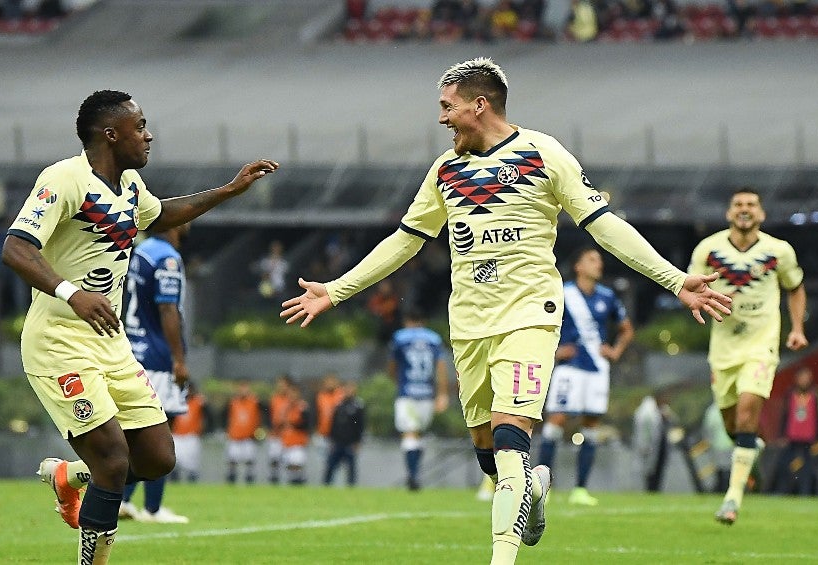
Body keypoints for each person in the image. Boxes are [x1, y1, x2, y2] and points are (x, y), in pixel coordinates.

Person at [281, 57, 731, 564]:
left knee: (510, 437)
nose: (440, 118)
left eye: (447, 107)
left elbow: (604, 225)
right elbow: (405, 241)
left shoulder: (542, 153)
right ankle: (532, 492)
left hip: (529, 314)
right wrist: (336, 289)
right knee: (488, 453)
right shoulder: (446, 170)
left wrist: (675, 279)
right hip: (469, 322)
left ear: (480, 104)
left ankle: (501, 558)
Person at [1, 89, 277, 564]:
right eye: (140, 126)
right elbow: (16, 249)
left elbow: (162, 214)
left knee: (155, 459)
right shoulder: (64, 179)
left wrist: (229, 190)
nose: (148, 135)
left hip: (110, 342)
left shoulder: (128, 186)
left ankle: (71, 475)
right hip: (58, 342)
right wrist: (72, 292)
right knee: (112, 460)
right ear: (111, 133)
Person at [688, 187, 807, 526]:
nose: (745, 209)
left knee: (746, 414)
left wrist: (796, 328)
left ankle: (732, 499)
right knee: (734, 427)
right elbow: (691, 286)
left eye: (751, 205)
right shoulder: (708, 249)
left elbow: (795, 287)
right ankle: (750, 452)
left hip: (761, 343)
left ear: (761, 214)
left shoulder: (778, 251)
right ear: (729, 213)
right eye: (738, 204)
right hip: (723, 347)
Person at [538, 246, 634, 506]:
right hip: (569, 368)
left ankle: (580, 489)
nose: (598, 265)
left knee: (591, 426)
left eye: (599, 261)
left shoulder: (607, 296)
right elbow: (539, 324)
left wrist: (615, 351)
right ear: (578, 266)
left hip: (597, 369)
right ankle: (541, 489)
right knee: (555, 421)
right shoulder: (562, 293)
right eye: (591, 260)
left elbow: (626, 329)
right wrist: (554, 351)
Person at [118, 225, 192, 524]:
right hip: (157, 358)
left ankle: (122, 500)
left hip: (132, 350)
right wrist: (178, 359)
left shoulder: (141, 251)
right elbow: (168, 310)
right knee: (160, 436)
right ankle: (153, 508)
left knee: (137, 435)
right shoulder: (167, 258)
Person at [387, 308, 450, 491]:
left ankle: (412, 475)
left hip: (407, 393)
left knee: (409, 434)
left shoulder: (400, 337)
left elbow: (392, 365)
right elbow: (440, 368)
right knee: (418, 434)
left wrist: (395, 379)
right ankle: (415, 475)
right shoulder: (434, 339)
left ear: (407, 320)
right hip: (427, 394)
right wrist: (443, 394)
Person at [771, 366, 818, 496]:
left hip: (809, 437)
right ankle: (781, 491)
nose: (804, 380)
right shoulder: (790, 394)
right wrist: (782, 434)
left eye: (807, 377)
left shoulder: (817, 394)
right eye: (802, 377)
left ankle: (806, 492)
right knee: (784, 465)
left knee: (809, 468)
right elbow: (785, 415)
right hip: (792, 436)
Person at [323, 380, 367, 486]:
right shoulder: (338, 404)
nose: (349, 391)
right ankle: (326, 486)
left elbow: (361, 425)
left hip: (350, 442)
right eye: (347, 389)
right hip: (337, 441)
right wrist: (331, 439)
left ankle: (351, 487)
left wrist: (358, 441)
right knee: (331, 466)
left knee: (350, 467)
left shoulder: (358, 405)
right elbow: (333, 423)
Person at [224, 380, 262, 484]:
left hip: (249, 437)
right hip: (235, 437)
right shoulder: (232, 402)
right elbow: (226, 417)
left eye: (245, 387)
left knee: (250, 460)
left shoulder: (255, 402)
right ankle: (231, 483)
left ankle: (249, 483)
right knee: (232, 460)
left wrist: (259, 431)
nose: (243, 390)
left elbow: (260, 417)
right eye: (241, 387)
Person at [170, 384, 207, 483]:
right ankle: (174, 482)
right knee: (175, 461)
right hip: (177, 435)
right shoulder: (175, 401)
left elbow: (207, 415)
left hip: (191, 436)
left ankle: (192, 482)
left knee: (191, 463)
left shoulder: (199, 402)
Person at [267, 374, 293, 484]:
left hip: (288, 435)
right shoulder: (274, 398)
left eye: (283, 384)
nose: (280, 386)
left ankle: (292, 484)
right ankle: (274, 482)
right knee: (274, 460)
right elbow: (269, 415)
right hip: (275, 434)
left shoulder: (291, 399)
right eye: (279, 384)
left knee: (291, 462)